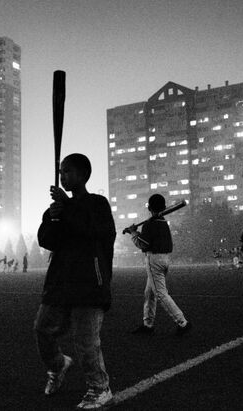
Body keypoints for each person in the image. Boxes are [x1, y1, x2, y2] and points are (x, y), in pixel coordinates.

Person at [34, 153, 115, 409]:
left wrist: (66, 208)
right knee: (42, 329)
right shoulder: (61, 208)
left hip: (89, 283)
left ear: (83, 175)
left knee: (85, 341)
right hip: (60, 282)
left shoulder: (97, 203)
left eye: (67, 171)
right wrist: (53, 216)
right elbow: (47, 240)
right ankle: (57, 366)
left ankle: (100, 388)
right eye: (60, 171)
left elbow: (94, 231)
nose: (62, 176)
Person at [125, 194, 192, 336]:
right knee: (149, 293)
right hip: (165, 259)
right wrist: (135, 232)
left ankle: (182, 322)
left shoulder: (150, 224)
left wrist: (132, 233)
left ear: (149, 208)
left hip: (154, 260)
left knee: (160, 294)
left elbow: (142, 243)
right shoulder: (163, 222)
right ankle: (148, 324)